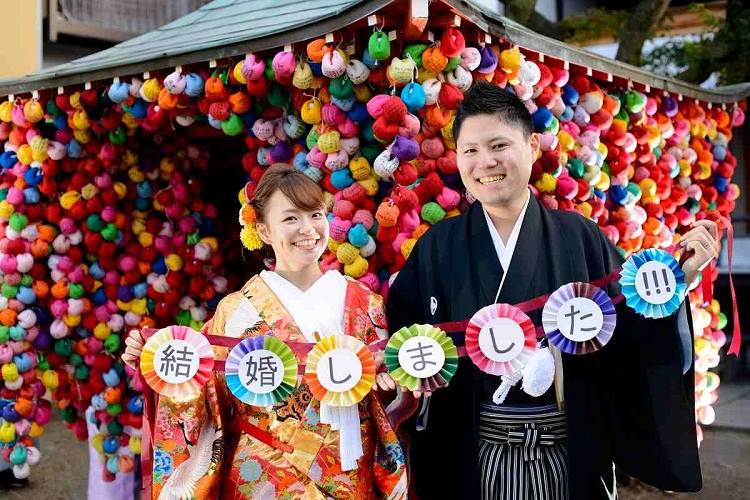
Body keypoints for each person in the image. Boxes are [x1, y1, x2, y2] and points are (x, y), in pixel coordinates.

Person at [386, 81, 719, 499]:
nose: (484, 162)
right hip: (466, 456)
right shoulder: (437, 246)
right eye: (470, 150)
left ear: (531, 146)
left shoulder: (577, 236)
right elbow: (405, 337)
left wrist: (676, 282)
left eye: (498, 145)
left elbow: (630, 333)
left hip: (567, 452)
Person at [122, 164, 406, 499]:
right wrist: (162, 361)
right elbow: (206, 396)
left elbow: (385, 391)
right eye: (290, 219)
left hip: (347, 473)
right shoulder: (237, 311)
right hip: (265, 477)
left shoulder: (365, 302)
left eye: (315, 215)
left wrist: (392, 389)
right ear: (264, 231)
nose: (308, 229)